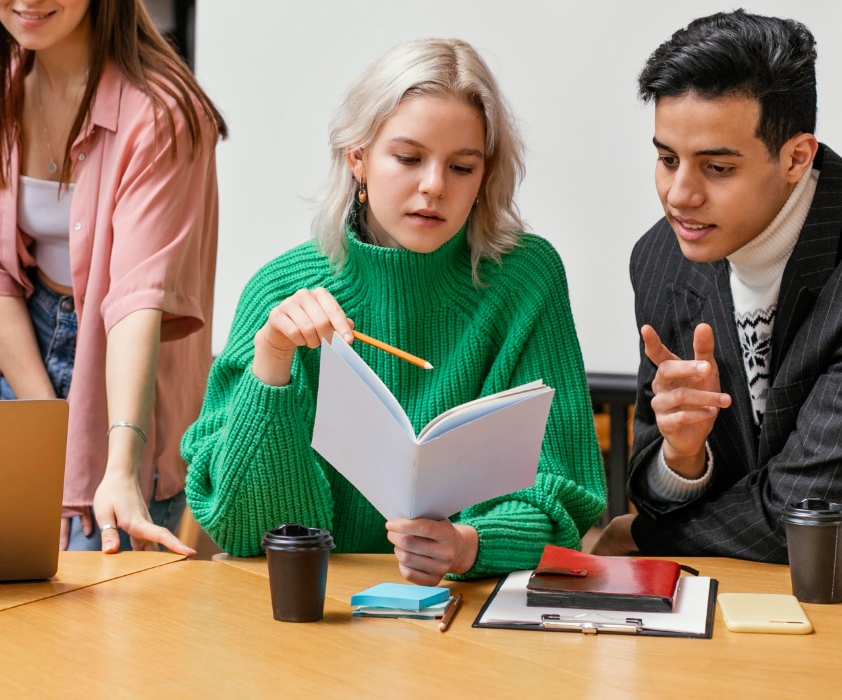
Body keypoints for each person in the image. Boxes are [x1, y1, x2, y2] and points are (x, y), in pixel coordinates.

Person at [181, 38, 605, 582]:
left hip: (471, 612)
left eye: (462, 167)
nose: (434, 186)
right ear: (356, 158)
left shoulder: (526, 278)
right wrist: (271, 365)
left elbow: (562, 490)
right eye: (408, 158)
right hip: (320, 617)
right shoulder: (278, 291)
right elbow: (245, 530)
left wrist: (470, 546)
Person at [594, 10, 842, 564]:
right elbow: (654, 488)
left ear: (797, 157)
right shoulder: (662, 259)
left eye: (717, 168)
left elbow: (812, 517)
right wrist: (682, 459)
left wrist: (639, 539)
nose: (679, 195)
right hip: (724, 606)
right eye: (667, 159)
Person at [0, 0, 226, 556]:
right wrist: (46, 421)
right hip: (25, 353)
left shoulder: (160, 112)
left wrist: (119, 462)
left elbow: (136, 299)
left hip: (126, 365)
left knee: (115, 621)